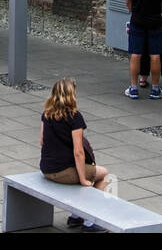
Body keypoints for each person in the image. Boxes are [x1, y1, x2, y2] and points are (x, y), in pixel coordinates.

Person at [40, 78, 111, 232]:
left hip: (47, 169)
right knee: (104, 174)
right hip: (63, 172)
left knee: (86, 174)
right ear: (71, 95)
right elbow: (78, 152)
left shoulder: (47, 114)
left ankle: (75, 215)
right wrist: (83, 179)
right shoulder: (75, 117)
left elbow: (42, 141)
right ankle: (90, 221)